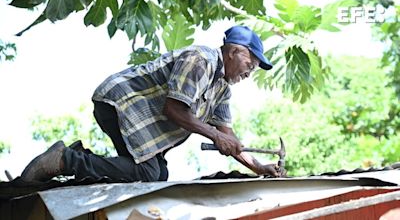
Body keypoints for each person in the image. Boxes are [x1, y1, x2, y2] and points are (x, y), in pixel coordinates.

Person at [20, 25, 280, 183]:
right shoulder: (201, 59)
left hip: (139, 120)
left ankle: (79, 157)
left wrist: (259, 167)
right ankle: (65, 160)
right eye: (250, 65)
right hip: (121, 102)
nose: (250, 73)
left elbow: (228, 138)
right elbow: (174, 109)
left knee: (157, 176)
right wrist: (213, 134)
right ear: (234, 52)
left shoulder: (221, 90)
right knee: (146, 173)